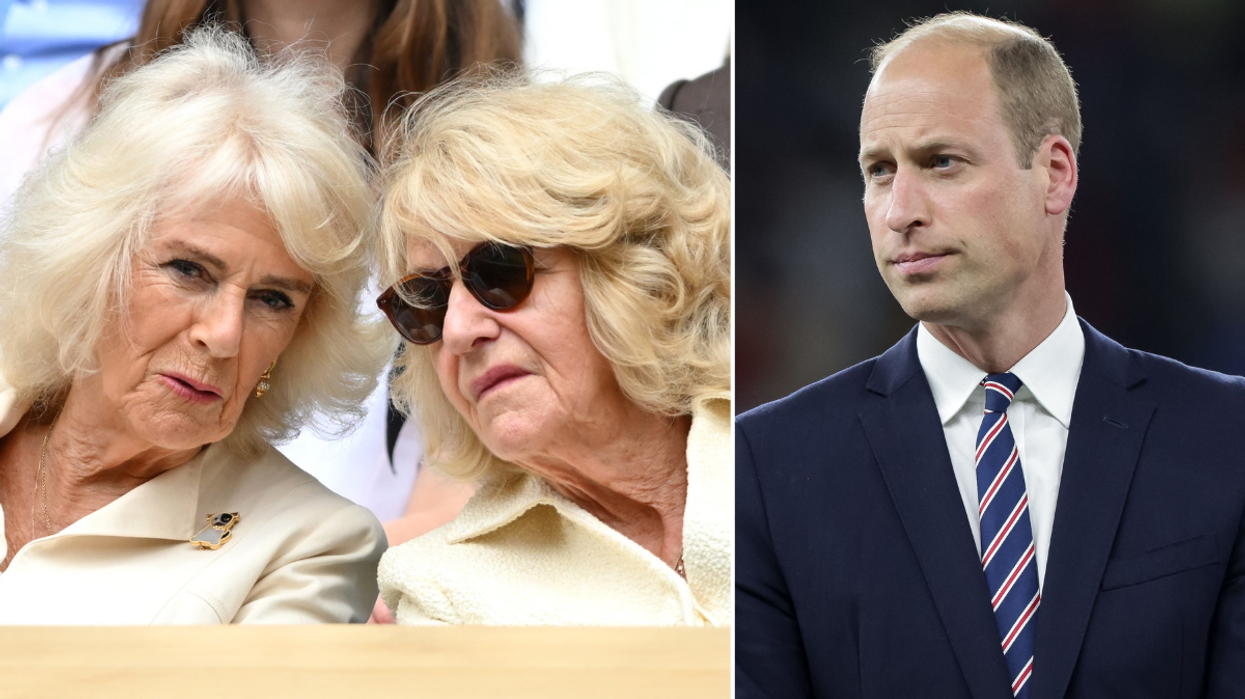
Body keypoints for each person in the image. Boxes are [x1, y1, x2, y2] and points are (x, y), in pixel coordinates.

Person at [736, 11, 1245, 698]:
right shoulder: (764, 468)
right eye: (878, 171)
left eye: (940, 162)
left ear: (1054, 174)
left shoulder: (1224, 435)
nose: (899, 212)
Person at [0, 27, 390, 624]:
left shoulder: (310, 545)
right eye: (189, 270)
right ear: (91, 262)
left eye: (272, 300)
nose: (225, 333)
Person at [372, 74, 731, 626]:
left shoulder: (792, 447)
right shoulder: (443, 591)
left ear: (630, 269)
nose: (460, 330)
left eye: (498, 270)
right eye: (428, 302)